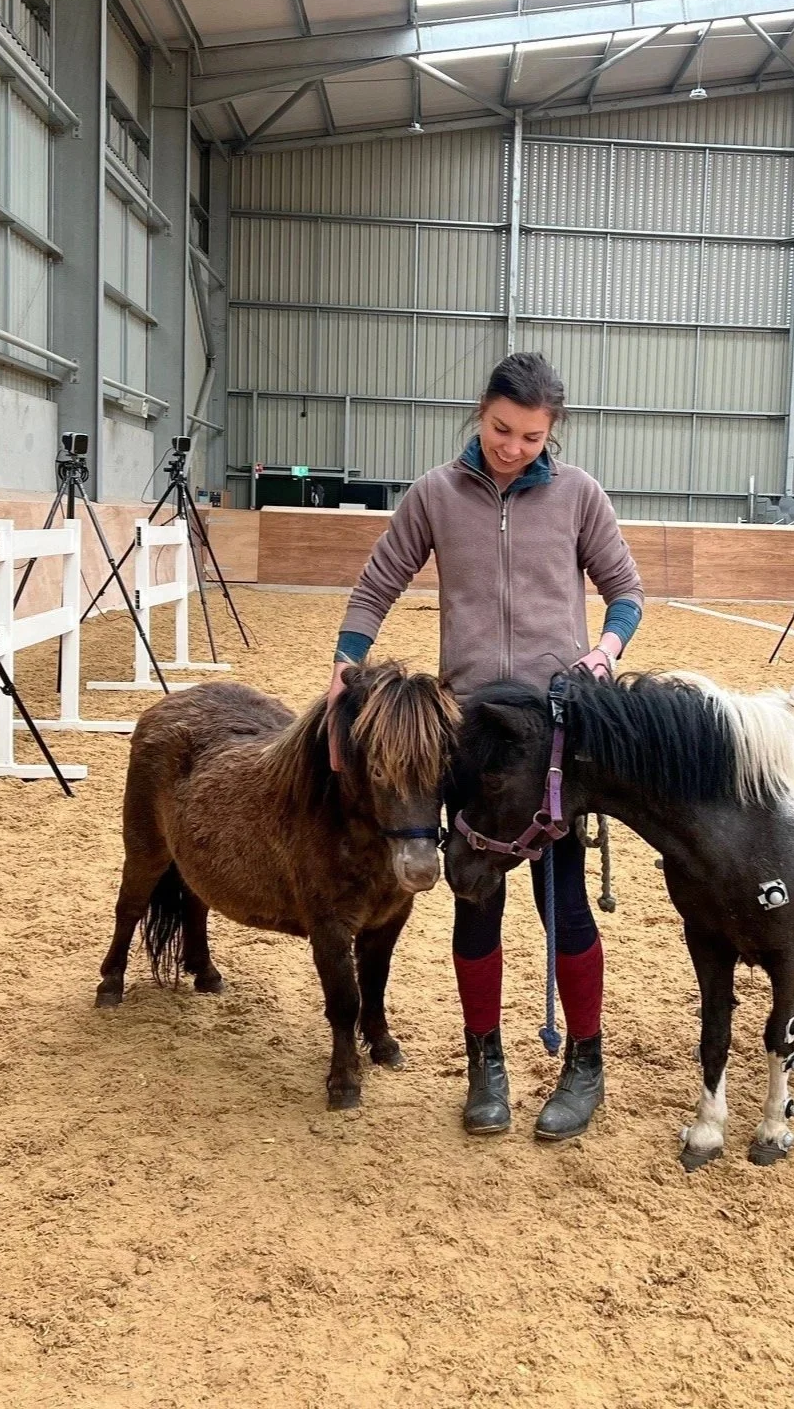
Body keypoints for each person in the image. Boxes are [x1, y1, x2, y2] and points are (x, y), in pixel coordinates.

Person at [325, 352, 643, 1141]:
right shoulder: (434, 495)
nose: (514, 448)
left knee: (562, 903)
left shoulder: (580, 497)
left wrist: (601, 654)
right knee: (477, 900)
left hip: (554, 733)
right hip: (468, 735)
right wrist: (347, 658)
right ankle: (485, 1064)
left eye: (533, 437)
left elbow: (626, 594)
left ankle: (585, 1063)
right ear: (481, 414)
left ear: (551, 432)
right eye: (503, 430)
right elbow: (377, 584)